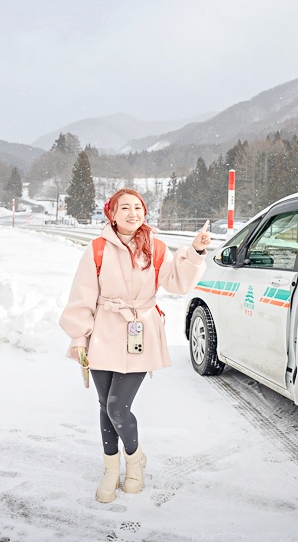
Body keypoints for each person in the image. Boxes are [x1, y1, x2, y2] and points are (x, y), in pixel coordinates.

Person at [59, 188, 212, 503]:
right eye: (125, 208)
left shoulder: (155, 247)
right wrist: (78, 336)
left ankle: (134, 459)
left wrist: (195, 252)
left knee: (117, 406)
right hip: (103, 331)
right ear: (112, 214)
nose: (133, 213)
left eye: (138, 208)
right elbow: (82, 294)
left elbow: (177, 282)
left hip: (139, 333)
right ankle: (110, 469)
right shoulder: (97, 249)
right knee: (105, 405)